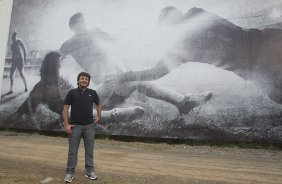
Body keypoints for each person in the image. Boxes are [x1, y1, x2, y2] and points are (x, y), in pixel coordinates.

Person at [63, 72, 101, 183]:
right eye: (82, 78)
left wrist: (99, 116)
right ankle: (69, 173)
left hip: (89, 126)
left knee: (89, 151)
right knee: (72, 152)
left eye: (86, 79)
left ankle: (90, 171)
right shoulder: (72, 93)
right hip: (75, 126)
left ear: (88, 81)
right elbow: (65, 109)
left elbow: (98, 104)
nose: (84, 80)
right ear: (78, 80)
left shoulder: (92, 93)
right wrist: (66, 124)